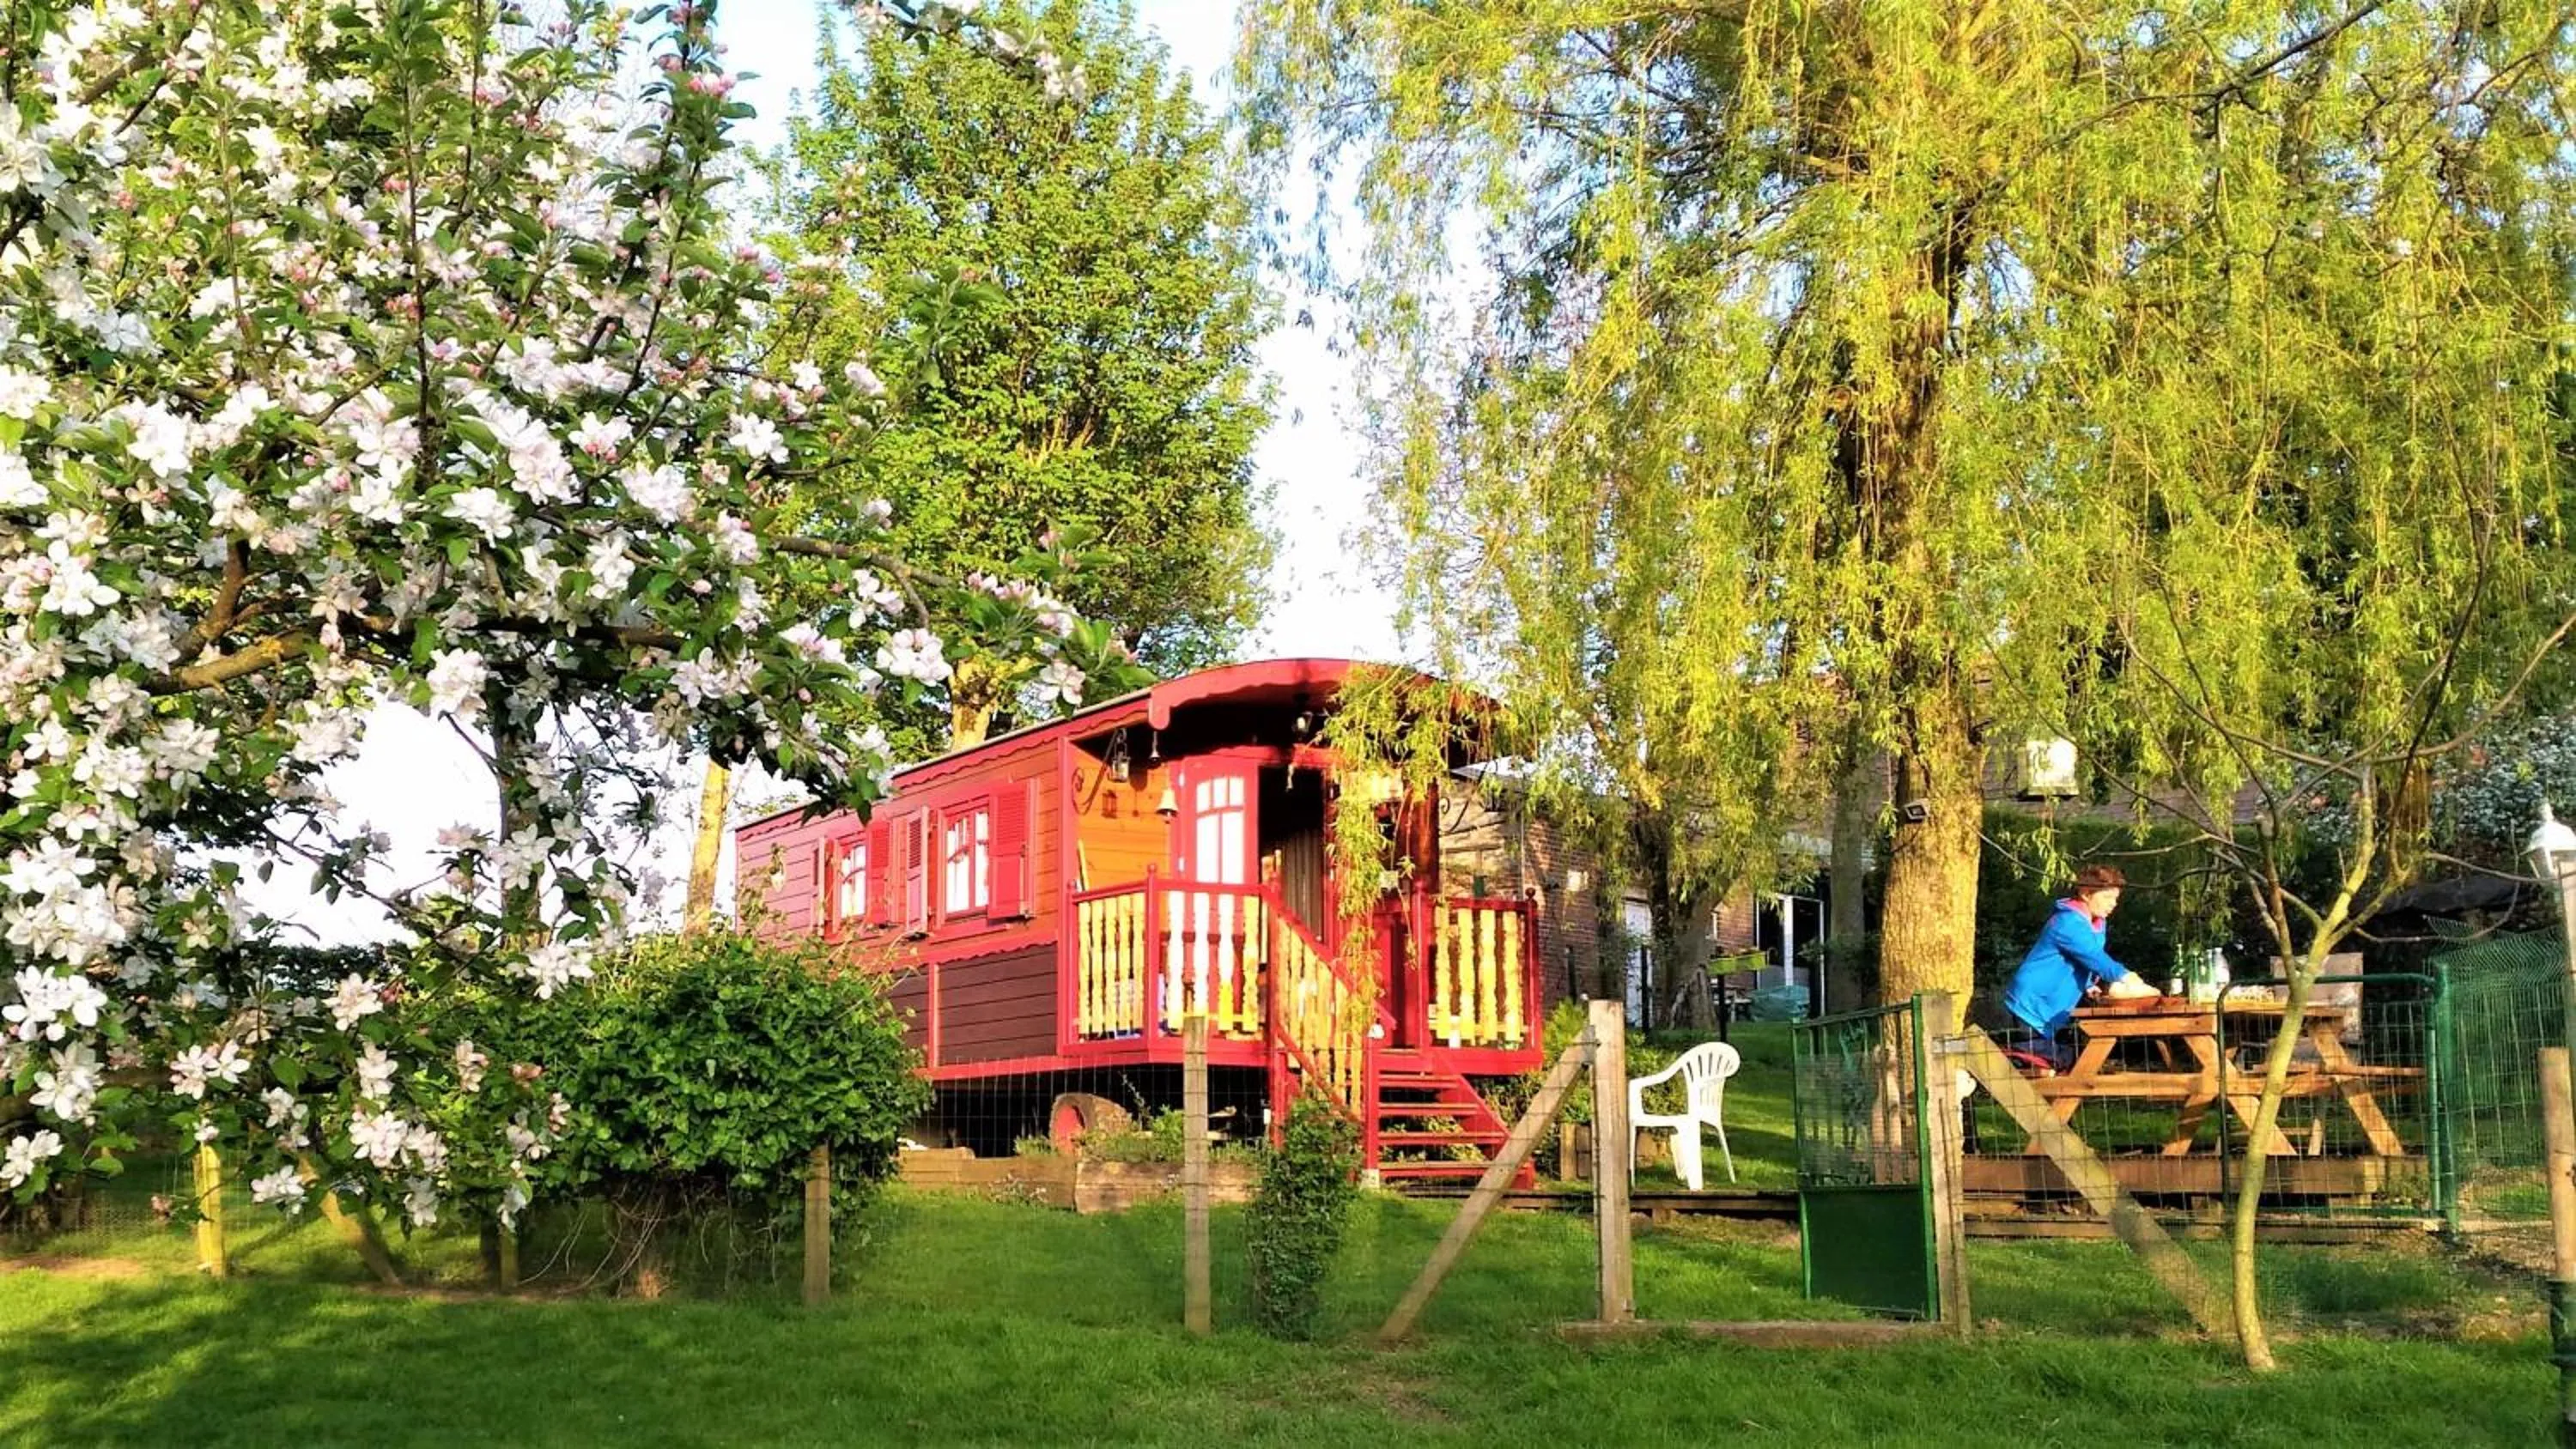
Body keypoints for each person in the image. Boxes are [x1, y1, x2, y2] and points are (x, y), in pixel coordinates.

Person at [2001, 864, 2158, 1070]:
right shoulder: (2067, 922)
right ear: (2086, 894)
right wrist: (2128, 977)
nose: (2113, 904)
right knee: (2050, 1060)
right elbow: (2094, 957)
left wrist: (2088, 984)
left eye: (2116, 898)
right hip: (2032, 1003)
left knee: (2061, 1061)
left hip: (2055, 1006)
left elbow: (2081, 959)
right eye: (2107, 897)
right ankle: (2009, 1059)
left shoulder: (2096, 922)